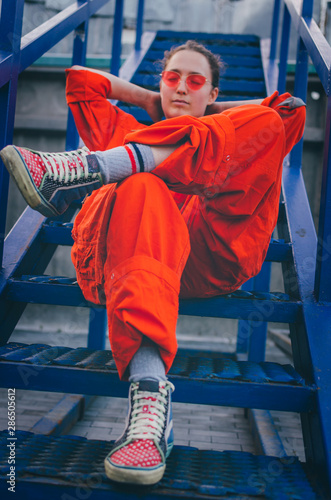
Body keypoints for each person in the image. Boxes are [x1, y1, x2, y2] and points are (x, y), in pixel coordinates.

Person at [0, 40, 306, 486]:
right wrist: (152, 101)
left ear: (214, 93)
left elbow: (290, 113)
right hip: (126, 255)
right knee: (142, 185)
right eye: (172, 78)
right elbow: (82, 82)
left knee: (267, 122)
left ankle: (89, 169)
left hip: (205, 257)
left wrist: (204, 111)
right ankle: (149, 404)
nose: (181, 87)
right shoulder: (128, 126)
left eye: (196, 81)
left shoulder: (228, 136)